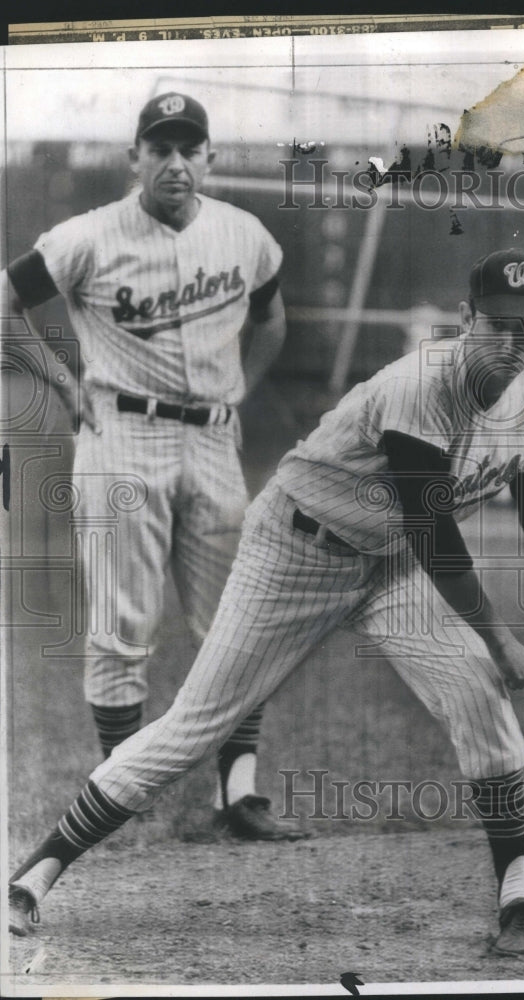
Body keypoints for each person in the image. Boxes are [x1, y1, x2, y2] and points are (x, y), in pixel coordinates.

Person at [9, 248, 524, 955]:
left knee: (478, 695)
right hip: (294, 549)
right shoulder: (420, 384)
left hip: (389, 566)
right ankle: (33, 877)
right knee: (195, 727)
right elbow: (433, 528)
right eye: (498, 324)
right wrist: (501, 638)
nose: (511, 343)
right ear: (465, 318)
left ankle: (518, 899)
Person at [2, 91, 306, 842]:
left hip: (212, 441)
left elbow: (270, 316)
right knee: (121, 628)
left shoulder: (246, 235)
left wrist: (241, 389)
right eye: (159, 148)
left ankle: (239, 794)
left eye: (189, 149)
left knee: (236, 629)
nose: (175, 163)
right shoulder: (88, 237)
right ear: (134, 158)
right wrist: (65, 383)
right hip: (120, 436)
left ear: (210, 158)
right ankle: (118, 795)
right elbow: (6, 302)